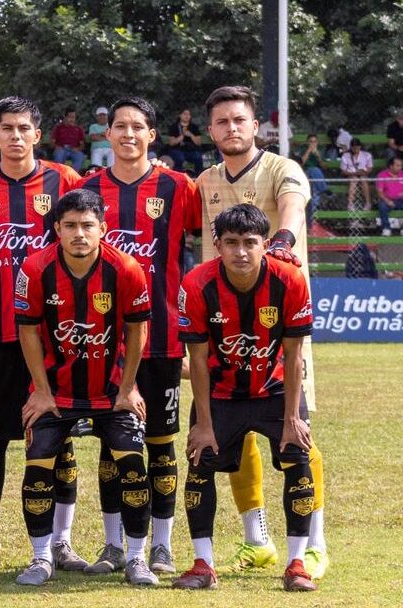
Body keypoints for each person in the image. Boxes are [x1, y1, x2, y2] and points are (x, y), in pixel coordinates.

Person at [196, 85, 327, 579]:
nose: (232, 128)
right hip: (222, 324)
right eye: (222, 121)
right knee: (233, 433)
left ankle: (313, 545)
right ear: (211, 131)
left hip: (280, 324)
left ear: (255, 126)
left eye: (239, 120)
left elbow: (292, 206)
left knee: (298, 432)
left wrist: (284, 240)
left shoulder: (281, 168)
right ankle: (257, 539)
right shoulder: (204, 181)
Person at [0, 96, 80, 574]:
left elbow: (90, 231)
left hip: (55, 336)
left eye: (24, 128)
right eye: (7, 128)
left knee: (58, 438)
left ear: (37, 134)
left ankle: (61, 543)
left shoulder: (64, 181)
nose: (16, 136)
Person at [78, 97, 200, 576]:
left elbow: (211, 241)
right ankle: (113, 545)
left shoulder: (178, 187)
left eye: (138, 127)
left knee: (161, 444)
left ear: (152, 135)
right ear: (107, 133)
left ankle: (162, 546)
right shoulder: (87, 189)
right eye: (120, 126)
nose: (128, 134)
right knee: (112, 446)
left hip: (163, 338)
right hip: (102, 342)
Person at [13, 188, 155, 587]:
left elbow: (137, 330)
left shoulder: (126, 268)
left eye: (88, 225)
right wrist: (41, 392)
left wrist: (128, 388)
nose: (79, 233)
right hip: (56, 392)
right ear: (57, 228)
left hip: (111, 391)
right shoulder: (35, 268)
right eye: (71, 225)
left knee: (132, 464)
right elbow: (28, 333)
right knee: (38, 463)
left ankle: (136, 558)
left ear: (102, 229)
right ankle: (42, 557)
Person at [174, 203, 317, 593]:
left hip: (275, 391)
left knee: (298, 458)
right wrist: (204, 425)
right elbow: (197, 360)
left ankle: (296, 564)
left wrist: (292, 417)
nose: (240, 252)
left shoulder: (290, 280)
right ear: (218, 244)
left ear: (265, 244)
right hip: (221, 393)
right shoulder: (197, 284)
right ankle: (203, 564)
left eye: (250, 242)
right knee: (199, 461)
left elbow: (293, 355)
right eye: (232, 242)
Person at [295, 134, 327, 227]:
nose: (313, 143)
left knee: (315, 191)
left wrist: (318, 156)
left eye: (314, 141)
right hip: (306, 173)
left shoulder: (320, 151)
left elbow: (324, 166)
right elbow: (301, 164)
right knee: (314, 170)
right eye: (311, 142)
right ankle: (324, 189)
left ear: (317, 142)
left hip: (316, 177)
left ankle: (312, 219)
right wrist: (308, 151)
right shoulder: (303, 150)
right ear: (307, 142)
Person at [167, 109, 204, 176]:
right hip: (177, 150)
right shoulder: (174, 127)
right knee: (179, 158)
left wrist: (191, 135)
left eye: (188, 114)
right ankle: (178, 177)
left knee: (198, 157)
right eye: (184, 114)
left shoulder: (194, 127)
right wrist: (182, 135)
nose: (187, 116)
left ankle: (198, 176)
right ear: (180, 115)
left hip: (190, 150)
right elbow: (171, 143)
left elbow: (198, 143)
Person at [341, 138, 373, 211]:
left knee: (363, 179)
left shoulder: (367, 155)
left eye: (357, 147)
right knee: (354, 179)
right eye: (354, 147)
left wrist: (364, 172)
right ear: (351, 147)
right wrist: (353, 173)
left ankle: (368, 203)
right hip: (350, 175)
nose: (355, 149)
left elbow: (370, 168)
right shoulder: (345, 156)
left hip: (363, 174)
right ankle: (350, 203)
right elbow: (343, 171)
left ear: (360, 146)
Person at [375, 155, 403, 235]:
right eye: (398, 165)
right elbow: (379, 192)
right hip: (387, 200)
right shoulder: (382, 175)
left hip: (401, 200)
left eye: (401, 165)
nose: (400, 167)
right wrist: (387, 201)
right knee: (382, 206)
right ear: (391, 166)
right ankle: (386, 228)